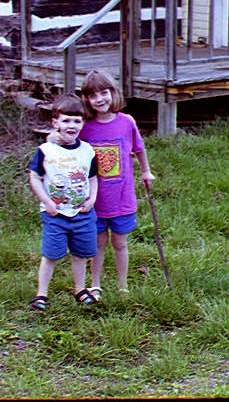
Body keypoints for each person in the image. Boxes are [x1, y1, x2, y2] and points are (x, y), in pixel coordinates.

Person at [79, 69, 155, 300]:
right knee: (98, 243)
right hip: (95, 197)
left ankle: (122, 285)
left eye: (104, 93)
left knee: (119, 243)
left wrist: (146, 171)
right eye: (93, 96)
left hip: (122, 196)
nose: (100, 99)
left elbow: (139, 149)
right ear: (87, 100)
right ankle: (95, 284)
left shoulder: (126, 122)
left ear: (113, 93)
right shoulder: (85, 126)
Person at [28, 93, 99, 311]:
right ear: (55, 123)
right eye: (66, 120)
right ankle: (42, 294)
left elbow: (93, 178)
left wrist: (92, 199)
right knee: (51, 254)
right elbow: (34, 177)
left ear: (83, 123)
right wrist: (46, 201)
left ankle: (80, 289)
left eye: (77, 120)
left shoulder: (87, 151)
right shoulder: (46, 151)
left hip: (82, 214)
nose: (71, 125)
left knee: (81, 254)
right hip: (55, 215)